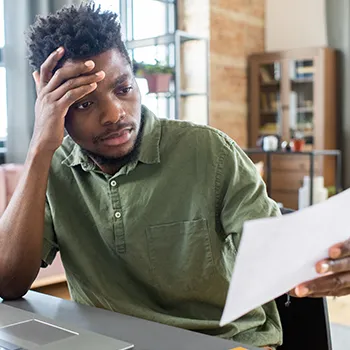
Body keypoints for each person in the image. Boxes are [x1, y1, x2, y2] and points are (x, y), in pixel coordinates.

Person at [0, 3, 349, 349]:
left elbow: (281, 257)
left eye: (123, 89)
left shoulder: (210, 152)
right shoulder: (53, 168)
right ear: (53, 107)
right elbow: (7, 282)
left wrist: (327, 261)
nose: (115, 114)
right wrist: (39, 149)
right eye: (84, 104)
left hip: (224, 341)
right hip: (108, 343)